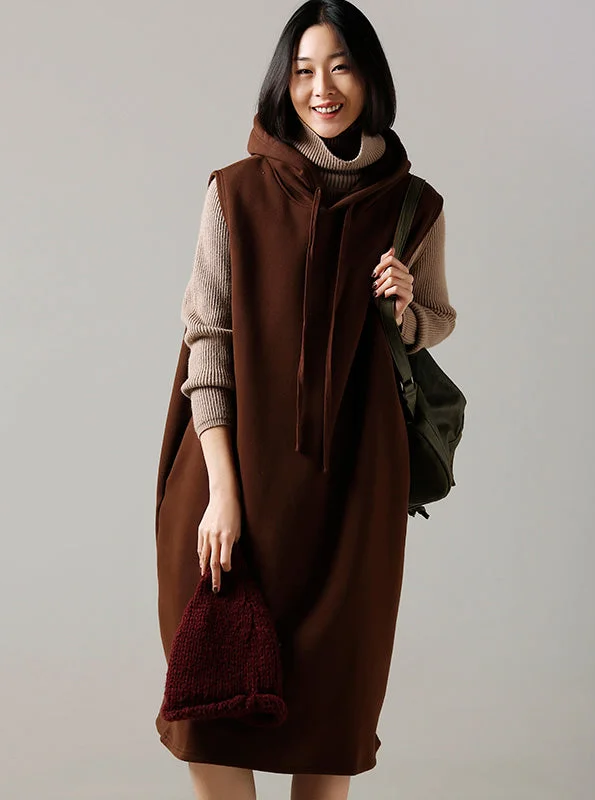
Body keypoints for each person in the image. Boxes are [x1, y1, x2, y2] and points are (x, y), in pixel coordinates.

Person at [154, 2, 457, 798]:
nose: (322, 88)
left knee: (331, 722)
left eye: (341, 67)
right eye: (303, 71)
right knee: (210, 714)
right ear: (283, 84)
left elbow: (435, 320)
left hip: (354, 499)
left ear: (370, 79)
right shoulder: (234, 192)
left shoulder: (413, 205)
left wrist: (406, 304)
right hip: (230, 493)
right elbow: (208, 343)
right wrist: (223, 496)